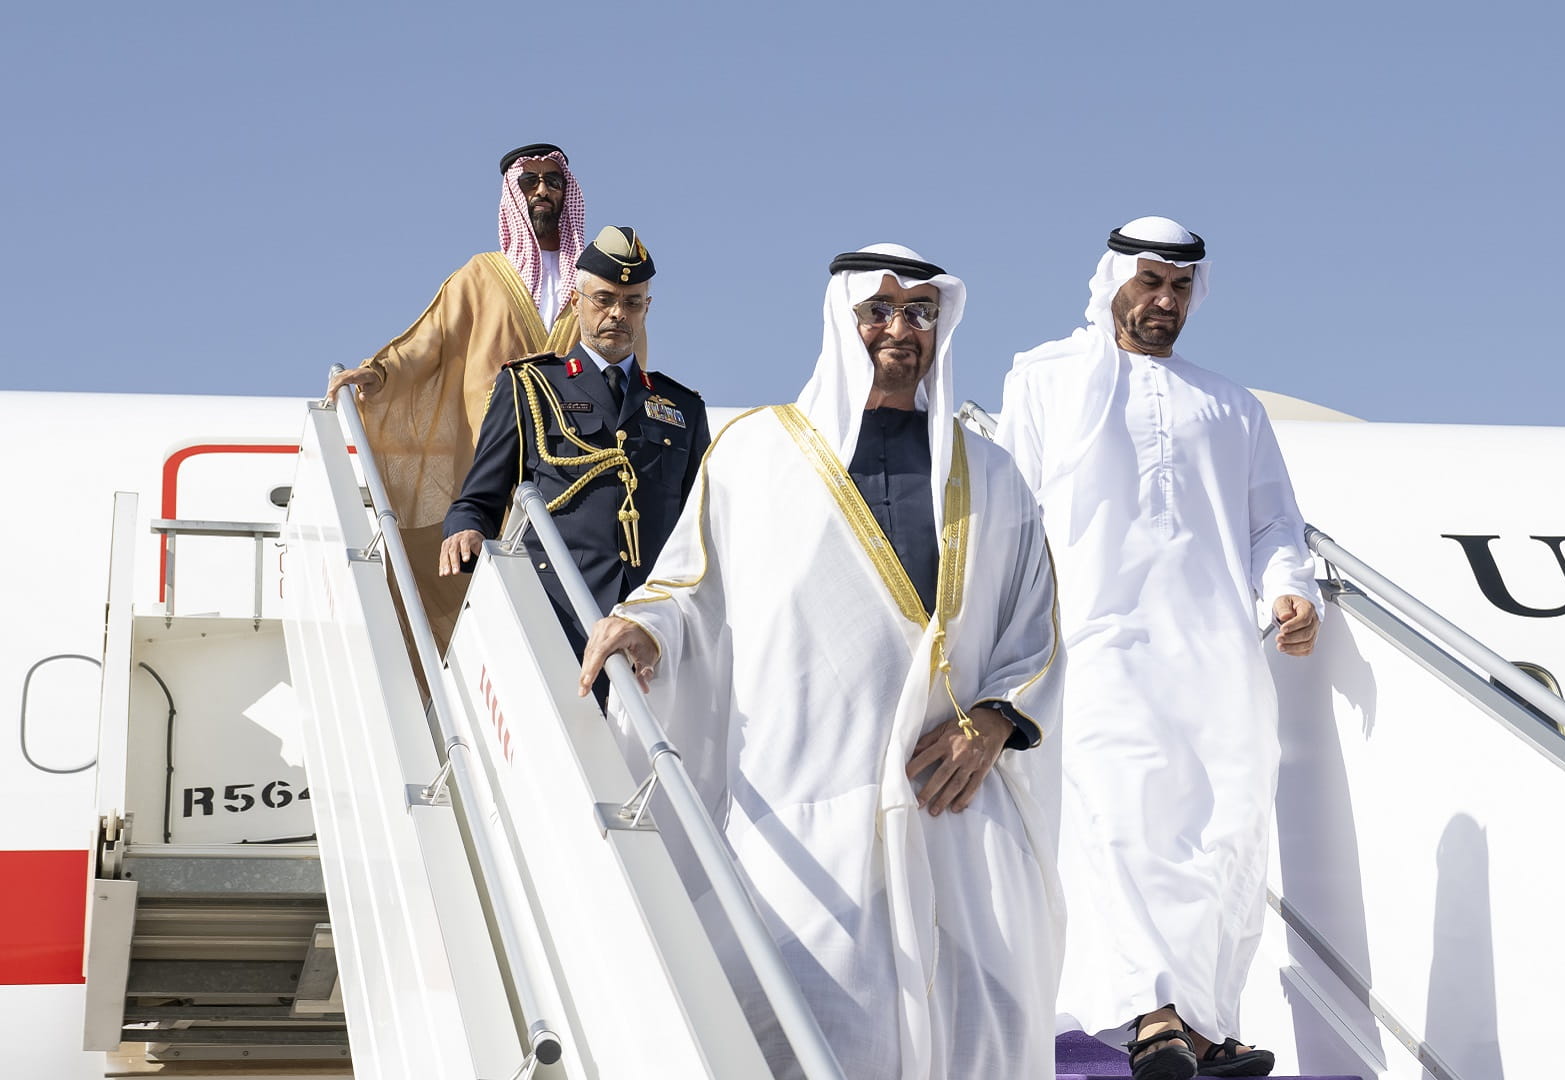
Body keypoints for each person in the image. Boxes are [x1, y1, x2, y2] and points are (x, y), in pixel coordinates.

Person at [576, 245, 1063, 1080]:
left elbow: (1037, 623)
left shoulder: (992, 471)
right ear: (843, 319)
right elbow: (691, 579)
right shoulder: (757, 452)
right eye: (880, 310)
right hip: (801, 804)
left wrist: (993, 721)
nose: (900, 330)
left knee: (985, 1024)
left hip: (953, 802)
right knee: (802, 1027)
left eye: (920, 313)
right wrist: (644, 628)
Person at [995, 217, 1321, 1080]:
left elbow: (1273, 523)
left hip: (1214, 650)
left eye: (1180, 288)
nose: (1163, 302)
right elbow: (1008, 507)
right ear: (1111, 281)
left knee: (1225, 829)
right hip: (1095, 642)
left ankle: (1208, 1023)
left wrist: (1291, 589)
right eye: (1148, 283)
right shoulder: (1044, 378)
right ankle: (1154, 1013)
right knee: (1123, 819)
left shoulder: (1230, 403)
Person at [326, 143, 594, 646]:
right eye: (529, 182)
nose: (542, 191)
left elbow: (626, 359)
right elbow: (429, 343)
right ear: (513, 193)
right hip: (491, 453)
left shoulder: (592, 283)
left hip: (570, 461)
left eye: (553, 182)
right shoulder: (483, 276)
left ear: (567, 194)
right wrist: (377, 373)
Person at [442, 226, 706, 670]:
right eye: (604, 299)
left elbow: (701, 520)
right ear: (575, 301)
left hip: (650, 622)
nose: (617, 314)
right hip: (556, 611)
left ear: (646, 309)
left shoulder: (682, 406)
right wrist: (465, 528)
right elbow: (479, 498)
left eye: (632, 302)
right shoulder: (531, 385)